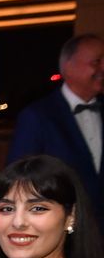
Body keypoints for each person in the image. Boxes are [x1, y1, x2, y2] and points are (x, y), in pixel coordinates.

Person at [8, 34, 104, 235]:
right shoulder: (37, 116)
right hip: (61, 234)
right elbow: (20, 179)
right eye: (97, 62)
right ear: (68, 67)